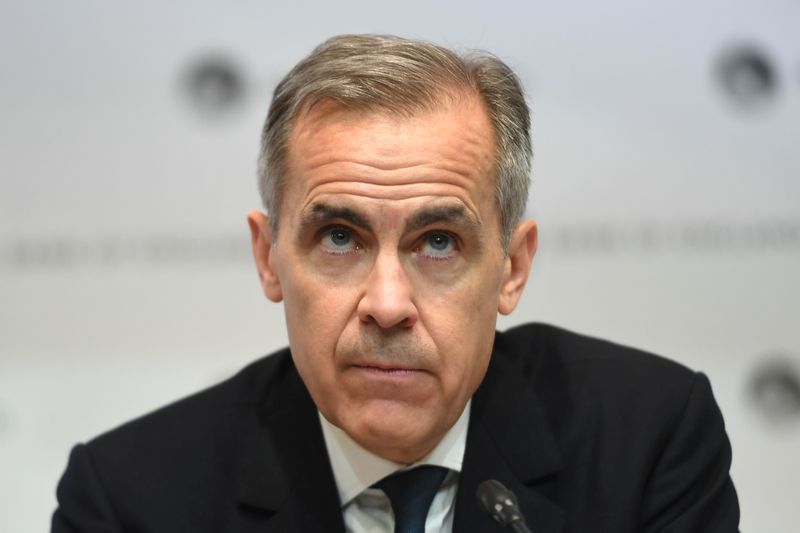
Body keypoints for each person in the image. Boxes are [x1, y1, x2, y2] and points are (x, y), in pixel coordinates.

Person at [52, 34, 740, 532]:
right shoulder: (130, 501)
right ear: (268, 258)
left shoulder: (647, 442)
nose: (386, 305)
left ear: (512, 267)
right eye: (340, 237)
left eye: (438, 242)